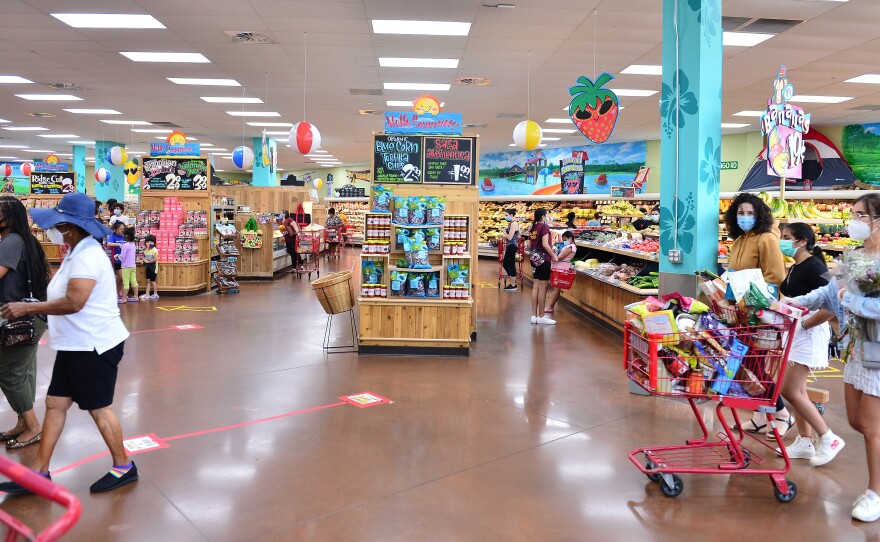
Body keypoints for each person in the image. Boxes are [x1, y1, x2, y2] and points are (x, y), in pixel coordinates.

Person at [0, 192, 136, 495]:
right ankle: (39, 473)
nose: (54, 229)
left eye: (59, 224)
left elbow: (75, 301)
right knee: (55, 404)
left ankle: (124, 466)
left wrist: (27, 307)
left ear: (71, 227)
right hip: (75, 345)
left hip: (94, 345)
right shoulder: (76, 250)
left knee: (100, 409)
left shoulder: (87, 255)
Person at [786, 193, 880, 522]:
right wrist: (793, 305)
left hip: (877, 347)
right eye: (852, 213)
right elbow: (828, 294)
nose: (853, 221)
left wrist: (848, 300)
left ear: (877, 221)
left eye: (860, 216)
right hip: (854, 346)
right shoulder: (855, 256)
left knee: (870, 424)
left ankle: (874, 493)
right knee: (856, 421)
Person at [724, 192, 793, 435]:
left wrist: (751, 301)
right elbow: (734, 274)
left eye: (750, 213)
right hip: (740, 315)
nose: (745, 217)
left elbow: (775, 278)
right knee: (747, 364)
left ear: (760, 214)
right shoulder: (739, 240)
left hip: (759, 315)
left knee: (753, 364)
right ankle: (759, 416)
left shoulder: (766, 239)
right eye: (740, 213)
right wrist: (728, 298)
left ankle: (782, 412)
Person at [777, 222, 844, 463]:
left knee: (790, 390)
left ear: (802, 241)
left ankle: (828, 437)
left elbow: (832, 306)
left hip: (809, 331)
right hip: (796, 330)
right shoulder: (797, 266)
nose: (782, 241)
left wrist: (806, 325)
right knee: (799, 390)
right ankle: (805, 442)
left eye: (787, 237)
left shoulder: (814, 267)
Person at [0, 196, 51, 450]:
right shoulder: (26, 239)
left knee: (9, 371)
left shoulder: (11, 241)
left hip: (18, 316)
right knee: (25, 370)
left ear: (9, 218)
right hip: (32, 316)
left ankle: (32, 426)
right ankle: (23, 422)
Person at [528, 208, 558, 325]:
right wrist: (553, 256)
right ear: (543, 217)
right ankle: (541, 316)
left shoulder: (533, 228)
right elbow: (545, 244)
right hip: (544, 260)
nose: (548, 217)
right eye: (547, 215)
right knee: (543, 288)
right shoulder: (544, 227)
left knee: (535, 287)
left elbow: (529, 244)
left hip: (534, 259)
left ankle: (534, 316)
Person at [544, 231, 576, 314]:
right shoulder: (567, 245)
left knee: (556, 288)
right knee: (556, 287)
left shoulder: (571, 246)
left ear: (570, 238)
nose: (563, 241)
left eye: (565, 239)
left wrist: (552, 255)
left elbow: (561, 257)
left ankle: (550, 307)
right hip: (559, 267)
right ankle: (550, 306)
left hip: (562, 268)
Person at [105, 222, 126, 301]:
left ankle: (120, 292)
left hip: (125, 260)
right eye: (120, 229)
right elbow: (109, 243)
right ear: (116, 229)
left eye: (123, 229)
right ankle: (115, 291)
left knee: (123, 278)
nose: (122, 231)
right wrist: (118, 245)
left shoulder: (124, 237)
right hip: (117, 259)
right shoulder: (113, 236)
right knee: (120, 276)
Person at [117, 227, 138, 303]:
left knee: (126, 283)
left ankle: (123, 299)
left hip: (126, 266)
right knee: (134, 281)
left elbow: (122, 257)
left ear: (126, 236)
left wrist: (117, 256)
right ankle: (136, 297)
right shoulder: (133, 244)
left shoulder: (125, 245)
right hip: (133, 266)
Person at [501, 208, 521, 292]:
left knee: (510, 264)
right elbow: (519, 235)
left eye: (506, 215)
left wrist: (504, 232)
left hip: (512, 246)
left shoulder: (514, 224)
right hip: (511, 245)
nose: (505, 217)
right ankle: (513, 281)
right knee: (506, 263)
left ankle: (513, 284)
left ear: (511, 215)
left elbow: (509, 237)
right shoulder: (512, 223)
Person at [140, 234, 159, 300]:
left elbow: (155, 259)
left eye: (151, 242)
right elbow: (144, 257)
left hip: (153, 268)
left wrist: (148, 262)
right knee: (148, 281)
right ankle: (147, 294)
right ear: (145, 242)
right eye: (148, 242)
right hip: (147, 268)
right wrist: (143, 260)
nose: (149, 243)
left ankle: (155, 294)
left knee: (153, 281)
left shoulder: (154, 250)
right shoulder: (146, 250)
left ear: (154, 243)